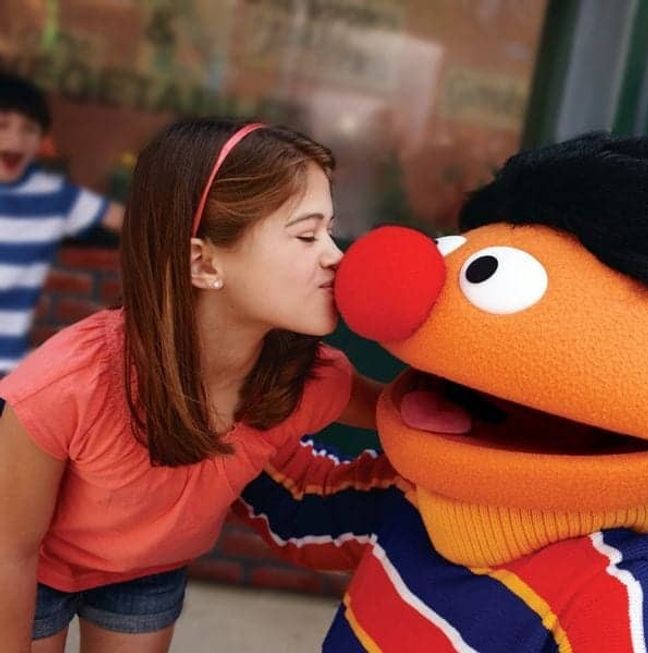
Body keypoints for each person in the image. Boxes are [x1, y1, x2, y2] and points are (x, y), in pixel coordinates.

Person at [0, 118, 393, 652]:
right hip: (36, 568)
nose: (335, 255)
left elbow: (417, 415)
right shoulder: (65, 385)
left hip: (147, 570)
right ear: (204, 262)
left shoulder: (310, 378)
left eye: (330, 229)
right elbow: (8, 551)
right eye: (306, 234)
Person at [0, 72, 125, 374]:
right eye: (2, 125)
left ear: (42, 140)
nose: (15, 139)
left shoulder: (55, 196)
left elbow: (131, 221)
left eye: (28, 129)